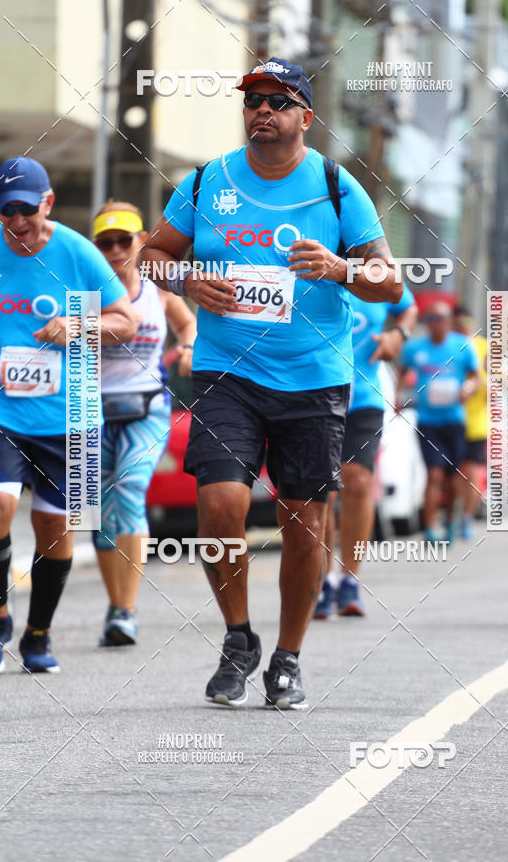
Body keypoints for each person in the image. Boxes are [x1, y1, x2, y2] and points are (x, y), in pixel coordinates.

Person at [140, 57, 403, 709]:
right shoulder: (207, 181)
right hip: (227, 371)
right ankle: (238, 640)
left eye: (279, 101)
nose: (263, 109)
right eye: (254, 99)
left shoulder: (339, 188)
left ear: (305, 117)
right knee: (220, 504)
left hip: (313, 379)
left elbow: (392, 282)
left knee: (304, 521)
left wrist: (341, 269)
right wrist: (182, 281)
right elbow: (153, 255)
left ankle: (287, 658)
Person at [0, 157, 135, 674]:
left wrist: (77, 324)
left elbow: (126, 318)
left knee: (57, 531)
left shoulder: (77, 253)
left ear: (47, 203)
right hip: (1, 411)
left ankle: (38, 634)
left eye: (26, 210)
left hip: (71, 414)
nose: (17, 222)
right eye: (6, 211)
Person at [92, 200, 197, 647]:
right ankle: (115, 603)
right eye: (106, 242)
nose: (116, 249)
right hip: (89, 411)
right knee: (95, 517)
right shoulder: (83, 290)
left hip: (147, 407)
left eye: (124, 240)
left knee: (131, 494)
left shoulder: (159, 290)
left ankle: (127, 611)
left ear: (140, 243)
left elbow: (187, 326)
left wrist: (189, 348)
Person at [315, 286, 417, 618]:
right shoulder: (309, 263)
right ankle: (322, 580)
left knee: (357, 481)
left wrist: (398, 336)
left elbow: (408, 306)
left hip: (364, 399)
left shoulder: (376, 271)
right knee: (322, 493)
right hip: (316, 396)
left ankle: (350, 579)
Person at [398, 301, 479, 543]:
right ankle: (430, 528)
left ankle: (452, 522)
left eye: (442, 319)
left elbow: (475, 376)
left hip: (454, 420)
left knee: (453, 476)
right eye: (432, 319)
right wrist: (398, 394)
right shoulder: (415, 348)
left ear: (449, 322)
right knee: (433, 474)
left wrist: (468, 388)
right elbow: (402, 372)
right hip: (427, 421)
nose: (437, 324)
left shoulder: (462, 346)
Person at [453, 304, 488, 540]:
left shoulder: (483, 347)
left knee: (471, 471)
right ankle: (452, 518)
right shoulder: (448, 348)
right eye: (458, 325)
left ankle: (466, 518)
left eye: (466, 324)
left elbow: (495, 381)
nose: (463, 329)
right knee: (454, 473)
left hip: (477, 421)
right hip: (449, 420)